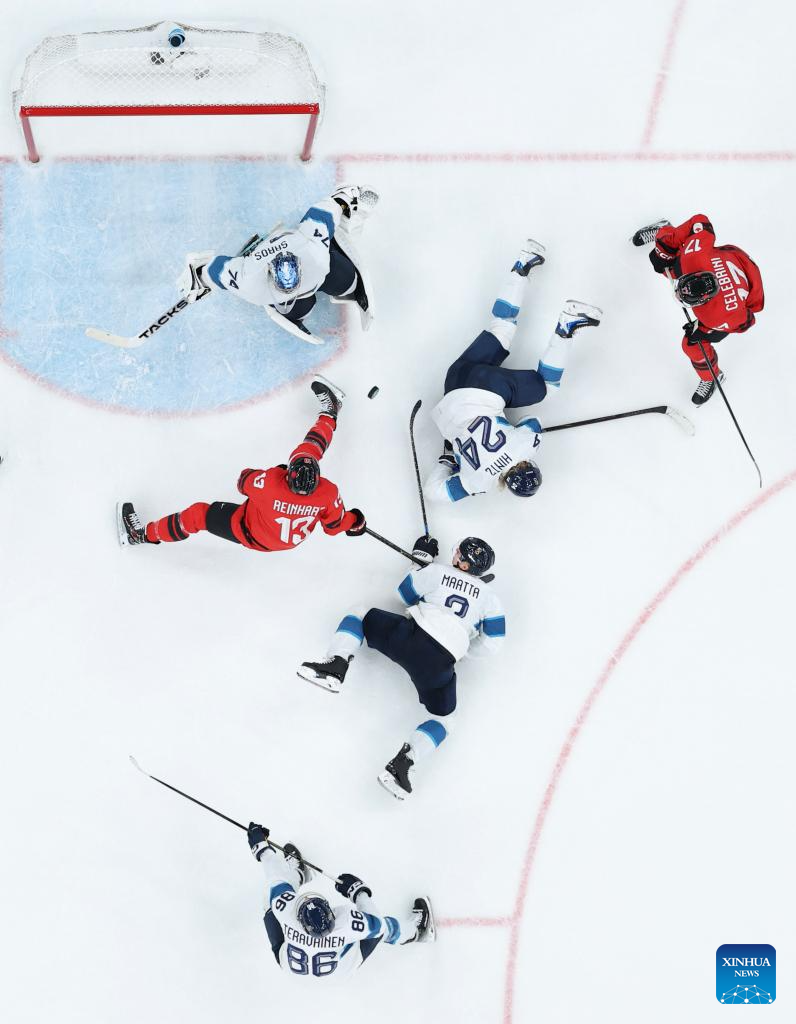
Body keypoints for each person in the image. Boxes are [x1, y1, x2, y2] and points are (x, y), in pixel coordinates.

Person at [298, 535, 505, 800]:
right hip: (440, 664)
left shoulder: (438, 572)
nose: (454, 554)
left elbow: (403, 594)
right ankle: (403, 765)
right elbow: (493, 643)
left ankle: (336, 665)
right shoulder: (490, 598)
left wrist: (420, 561)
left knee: (360, 614)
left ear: (464, 564)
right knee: (444, 720)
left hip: (409, 637)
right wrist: (461, 650)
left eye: (459, 553)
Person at [424, 239, 601, 503]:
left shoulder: (525, 447)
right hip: (452, 386)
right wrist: (448, 460)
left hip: (486, 388)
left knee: (544, 384)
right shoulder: (477, 482)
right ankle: (522, 262)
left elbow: (531, 421)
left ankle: (562, 318)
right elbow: (432, 492)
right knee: (501, 330)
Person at [117, 376, 366, 551]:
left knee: (199, 515)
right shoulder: (328, 493)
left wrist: (275, 473)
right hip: (288, 541)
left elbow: (243, 481)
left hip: (250, 531)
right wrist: (355, 522)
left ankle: (141, 535)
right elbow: (334, 526)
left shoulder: (270, 482)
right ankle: (330, 413)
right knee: (309, 450)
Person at [177, 185, 378, 342]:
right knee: (300, 310)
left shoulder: (312, 250)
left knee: (347, 282)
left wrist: (348, 198)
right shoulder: (251, 280)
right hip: (281, 268)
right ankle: (296, 307)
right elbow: (217, 269)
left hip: (305, 254)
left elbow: (328, 209)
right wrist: (199, 276)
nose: (291, 289)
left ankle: (341, 238)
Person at [247, 824, 434, 980]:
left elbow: (275, 877)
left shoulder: (286, 911)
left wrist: (261, 848)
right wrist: (358, 892)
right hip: (342, 969)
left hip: (291, 968)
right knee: (382, 929)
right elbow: (376, 924)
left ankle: (298, 874)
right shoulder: (346, 922)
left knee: (270, 902)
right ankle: (416, 932)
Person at [648, 214, 764, 405]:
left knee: (691, 345)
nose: (678, 294)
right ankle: (665, 231)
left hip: (749, 287)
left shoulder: (717, 315)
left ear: (705, 301)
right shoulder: (694, 257)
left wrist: (705, 331)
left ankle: (712, 376)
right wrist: (666, 248)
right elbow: (700, 220)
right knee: (665, 257)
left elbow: (747, 320)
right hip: (730, 257)